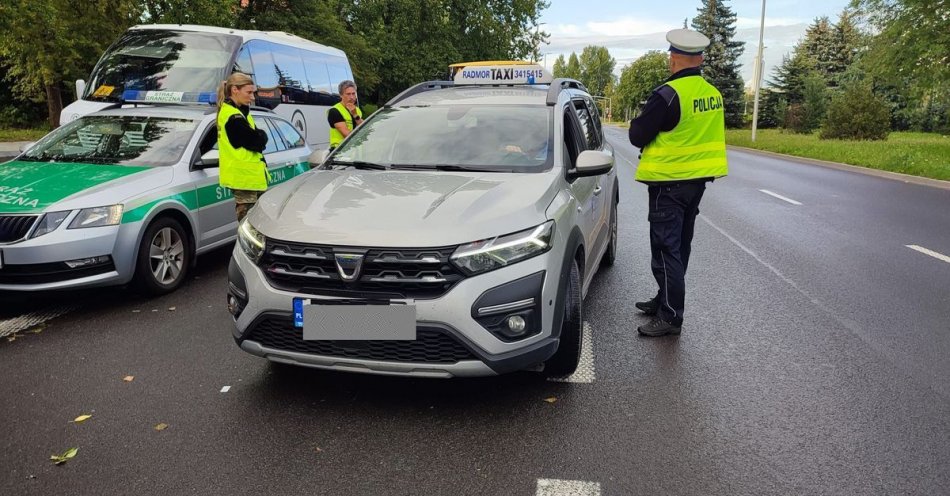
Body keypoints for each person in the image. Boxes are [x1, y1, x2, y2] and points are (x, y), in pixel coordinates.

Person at [628, 28, 729, 337]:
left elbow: (637, 136)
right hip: (695, 185)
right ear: (698, 59)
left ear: (675, 59)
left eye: (671, 55)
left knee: (665, 249)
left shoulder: (668, 95)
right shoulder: (712, 94)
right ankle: (664, 300)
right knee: (679, 247)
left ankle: (671, 317)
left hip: (669, 185)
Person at [216, 72, 269, 222]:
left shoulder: (237, 113)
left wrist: (259, 135)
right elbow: (257, 141)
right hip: (245, 180)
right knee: (250, 226)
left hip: (248, 179)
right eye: (249, 92)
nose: (252, 97)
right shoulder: (234, 117)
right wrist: (262, 135)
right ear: (234, 90)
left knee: (256, 225)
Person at [327, 80, 363, 150]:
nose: (352, 97)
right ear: (341, 95)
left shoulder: (356, 110)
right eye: (348, 94)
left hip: (353, 149)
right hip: (339, 151)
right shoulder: (334, 111)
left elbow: (364, 127)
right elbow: (347, 135)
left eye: (353, 93)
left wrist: (355, 114)